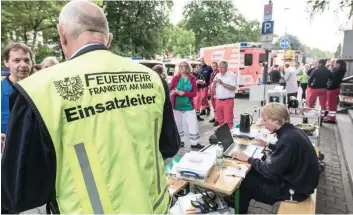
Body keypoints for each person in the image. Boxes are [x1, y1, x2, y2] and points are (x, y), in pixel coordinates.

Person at [1, 1, 180, 214]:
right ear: (109, 39)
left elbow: (20, 193)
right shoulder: (152, 79)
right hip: (154, 208)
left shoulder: (39, 89)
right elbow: (169, 146)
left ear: (62, 34)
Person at [231, 103, 319, 214]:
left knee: (244, 182)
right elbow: (287, 153)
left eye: (265, 120)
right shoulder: (292, 131)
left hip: (296, 191)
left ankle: (239, 210)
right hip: (300, 182)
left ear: (276, 121)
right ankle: (237, 204)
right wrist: (269, 146)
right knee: (251, 172)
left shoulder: (287, 140)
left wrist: (248, 158)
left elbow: (270, 171)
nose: (263, 123)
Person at [1, 43, 33, 152]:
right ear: (6, 62)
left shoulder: (42, 88)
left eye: (27, 60)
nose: (23, 65)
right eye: (17, 60)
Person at [170, 61, 203, 149]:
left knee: (193, 123)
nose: (183, 67)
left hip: (188, 105)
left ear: (188, 68)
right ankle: (180, 141)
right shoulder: (175, 78)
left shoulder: (192, 78)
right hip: (177, 105)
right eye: (181, 66)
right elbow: (171, 91)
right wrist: (175, 92)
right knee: (178, 124)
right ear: (179, 68)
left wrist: (184, 93)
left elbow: (194, 93)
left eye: (185, 66)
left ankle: (194, 143)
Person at [212, 60, 237, 129]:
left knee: (228, 120)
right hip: (218, 100)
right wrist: (214, 84)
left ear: (226, 67)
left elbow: (233, 88)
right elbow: (213, 89)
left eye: (222, 67)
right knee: (220, 120)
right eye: (219, 67)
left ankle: (229, 137)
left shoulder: (232, 75)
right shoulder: (217, 75)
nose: (220, 69)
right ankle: (223, 136)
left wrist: (222, 83)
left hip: (228, 101)